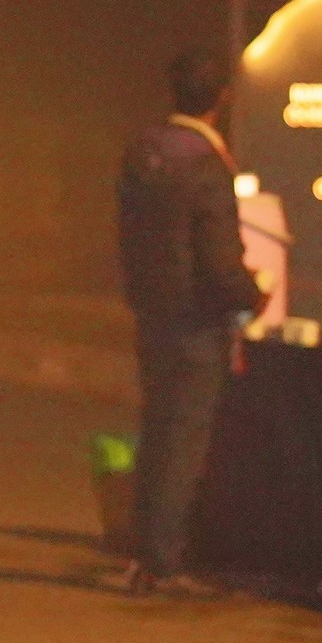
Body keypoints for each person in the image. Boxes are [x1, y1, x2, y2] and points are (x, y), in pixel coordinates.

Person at [115, 46, 267, 597]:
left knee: (157, 430)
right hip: (198, 321)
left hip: (152, 313)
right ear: (221, 99)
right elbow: (219, 258)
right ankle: (162, 562)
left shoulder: (144, 152)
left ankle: (142, 552)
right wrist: (253, 295)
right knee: (184, 441)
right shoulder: (205, 163)